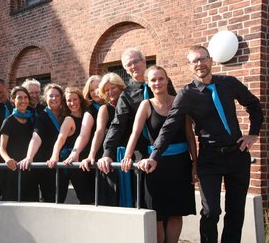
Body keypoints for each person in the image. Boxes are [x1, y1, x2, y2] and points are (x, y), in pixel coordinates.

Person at [144, 45, 263, 243]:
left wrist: (252, 134)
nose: (200, 64)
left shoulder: (229, 83)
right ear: (190, 66)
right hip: (210, 158)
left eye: (203, 59)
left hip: (237, 155)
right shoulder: (186, 95)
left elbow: (254, 105)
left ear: (211, 60)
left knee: (236, 211)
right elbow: (170, 126)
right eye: (195, 61)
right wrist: (155, 156)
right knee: (211, 211)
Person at [121, 66, 197, 243]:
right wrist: (127, 156)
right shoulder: (145, 105)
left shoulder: (180, 101)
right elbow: (135, 133)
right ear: (147, 83)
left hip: (181, 165)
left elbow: (190, 136)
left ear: (167, 80)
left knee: (177, 213)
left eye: (161, 78)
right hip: (155, 166)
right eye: (153, 80)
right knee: (158, 215)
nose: (158, 83)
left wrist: (195, 164)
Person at [98, 47, 176, 207]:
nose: (133, 66)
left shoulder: (162, 82)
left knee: (172, 204)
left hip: (170, 151)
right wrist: (107, 153)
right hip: (142, 153)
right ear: (125, 69)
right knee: (150, 203)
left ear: (144, 61)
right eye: (129, 64)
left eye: (136, 61)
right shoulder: (126, 94)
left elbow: (176, 113)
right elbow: (117, 125)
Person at [80, 72, 125, 206]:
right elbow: (98, 132)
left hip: (130, 154)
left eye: (113, 88)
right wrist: (91, 155)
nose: (110, 92)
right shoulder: (104, 109)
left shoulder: (130, 103)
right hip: (111, 155)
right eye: (107, 90)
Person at [19, 83, 67, 203]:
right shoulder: (42, 117)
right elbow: (36, 137)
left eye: (57, 96)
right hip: (48, 166)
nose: (54, 98)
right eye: (51, 96)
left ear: (61, 98)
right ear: (45, 98)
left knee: (61, 199)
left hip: (64, 165)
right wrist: (29, 157)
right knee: (50, 199)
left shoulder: (65, 115)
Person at [47, 87, 94, 204]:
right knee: (85, 197)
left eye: (75, 99)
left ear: (80, 100)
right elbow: (61, 138)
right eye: (69, 100)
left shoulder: (87, 115)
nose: (72, 103)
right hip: (73, 162)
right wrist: (54, 156)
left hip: (86, 160)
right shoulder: (69, 119)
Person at [0, 86, 38, 201]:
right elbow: (2, 148)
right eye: (19, 98)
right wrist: (7, 160)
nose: (23, 101)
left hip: (29, 169)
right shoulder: (8, 121)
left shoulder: (31, 119)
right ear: (13, 100)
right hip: (13, 170)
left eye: (25, 97)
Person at [63, 75, 103, 164]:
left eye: (97, 87)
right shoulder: (90, 111)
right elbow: (83, 135)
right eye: (91, 90)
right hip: (97, 156)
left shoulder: (114, 104)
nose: (95, 92)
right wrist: (75, 152)